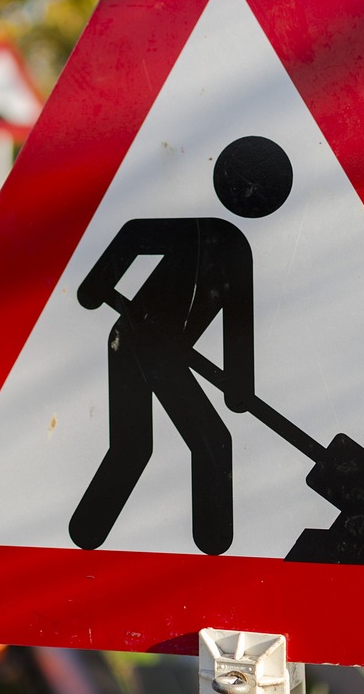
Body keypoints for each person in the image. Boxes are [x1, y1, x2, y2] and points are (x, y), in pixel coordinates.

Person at [68, 136, 293, 555]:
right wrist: (94, 285)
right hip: (139, 338)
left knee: (134, 445)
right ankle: (213, 547)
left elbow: (238, 325)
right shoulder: (204, 232)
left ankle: (86, 532)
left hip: (147, 344)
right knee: (208, 440)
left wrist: (238, 388)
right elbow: (133, 236)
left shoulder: (233, 246)